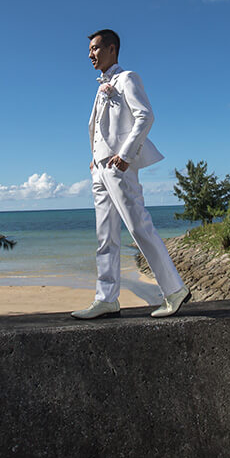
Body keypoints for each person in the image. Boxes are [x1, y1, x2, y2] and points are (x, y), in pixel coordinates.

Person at [71, 29, 191, 320]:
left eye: (96, 48)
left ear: (112, 49)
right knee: (105, 236)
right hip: (99, 167)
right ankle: (106, 299)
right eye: (90, 49)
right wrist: (93, 159)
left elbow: (145, 115)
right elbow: (97, 127)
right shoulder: (101, 86)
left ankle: (174, 290)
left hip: (118, 164)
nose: (90, 54)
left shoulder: (127, 78)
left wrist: (125, 155)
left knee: (138, 225)